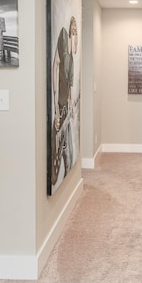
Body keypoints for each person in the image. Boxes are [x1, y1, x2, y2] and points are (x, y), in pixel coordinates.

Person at [51, 16, 78, 187]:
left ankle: (67, 177)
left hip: (66, 107)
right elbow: (55, 67)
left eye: (76, 33)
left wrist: (72, 106)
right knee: (61, 150)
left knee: (70, 155)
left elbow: (71, 87)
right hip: (59, 105)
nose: (74, 36)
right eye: (73, 31)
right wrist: (55, 106)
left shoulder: (72, 60)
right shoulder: (62, 39)